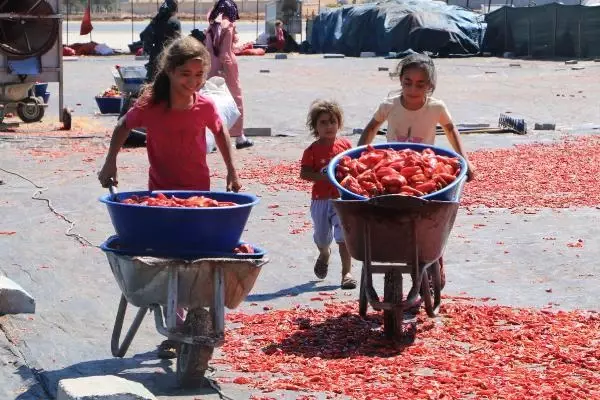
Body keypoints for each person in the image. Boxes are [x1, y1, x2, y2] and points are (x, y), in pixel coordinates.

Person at [98, 36, 242, 358]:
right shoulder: (151, 105)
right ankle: (175, 327)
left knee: (195, 260)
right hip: (161, 195)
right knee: (170, 259)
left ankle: (192, 317)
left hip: (197, 195)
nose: (192, 82)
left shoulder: (204, 105)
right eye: (185, 75)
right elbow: (123, 126)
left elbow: (220, 133)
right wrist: (111, 161)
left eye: (198, 75)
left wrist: (232, 170)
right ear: (170, 72)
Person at [357, 53, 476, 289]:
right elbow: (371, 128)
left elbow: (451, 131)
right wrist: (358, 155)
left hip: (424, 169)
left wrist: (465, 159)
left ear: (430, 85)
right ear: (400, 81)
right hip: (392, 167)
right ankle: (403, 256)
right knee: (390, 214)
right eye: (407, 82)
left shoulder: (436, 107)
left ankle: (432, 254)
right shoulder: (389, 105)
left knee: (425, 221)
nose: (413, 89)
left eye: (420, 84)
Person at [300, 100, 357, 290]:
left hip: (341, 200)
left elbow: (354, 167)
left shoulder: (346, 146)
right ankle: (324, 253)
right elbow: (305, 173)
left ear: (339, 123)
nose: (329, 126)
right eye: (323, 122)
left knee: (343, 237)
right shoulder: (312, 151)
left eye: (332, 121)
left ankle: (346, 274)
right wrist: (325, 177)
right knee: (322, 238)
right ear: (315, 127)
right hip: (321, 201)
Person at [205, 0, 254, 149]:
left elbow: (209, 48)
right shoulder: (229, 25)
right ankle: (239, 137)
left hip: (211, 64)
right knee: (235, 99)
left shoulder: (211, 25)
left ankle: (212, 139)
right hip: (226, 65)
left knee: (213, 99)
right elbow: (225, 51)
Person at [140, 0, 181, 82]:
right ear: (174, 9)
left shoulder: (156, 20)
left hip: (155, 57)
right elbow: (178, 42)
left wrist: (149, 48)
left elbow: (143, 35)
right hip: (169, 57)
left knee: (152, 83)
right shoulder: (175, 22)